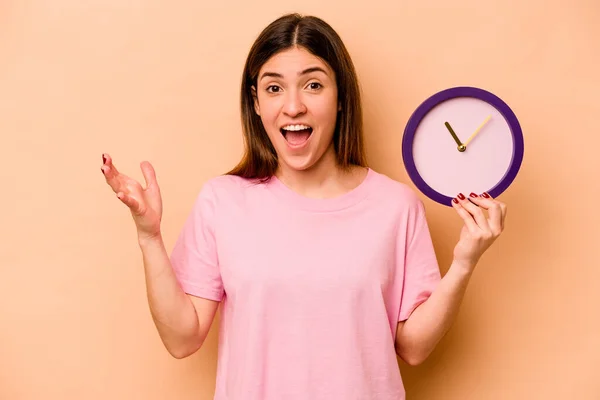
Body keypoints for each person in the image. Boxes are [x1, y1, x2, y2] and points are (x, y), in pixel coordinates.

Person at [101, 12, 507, 400]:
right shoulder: (222, 201)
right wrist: (149, 237)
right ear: (256, 103)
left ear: (341, 97)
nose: (293, 106)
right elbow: (182, 338)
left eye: (313, 85)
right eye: (274, 87)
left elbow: (414, 348)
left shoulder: (396, 206)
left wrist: (465, 262)